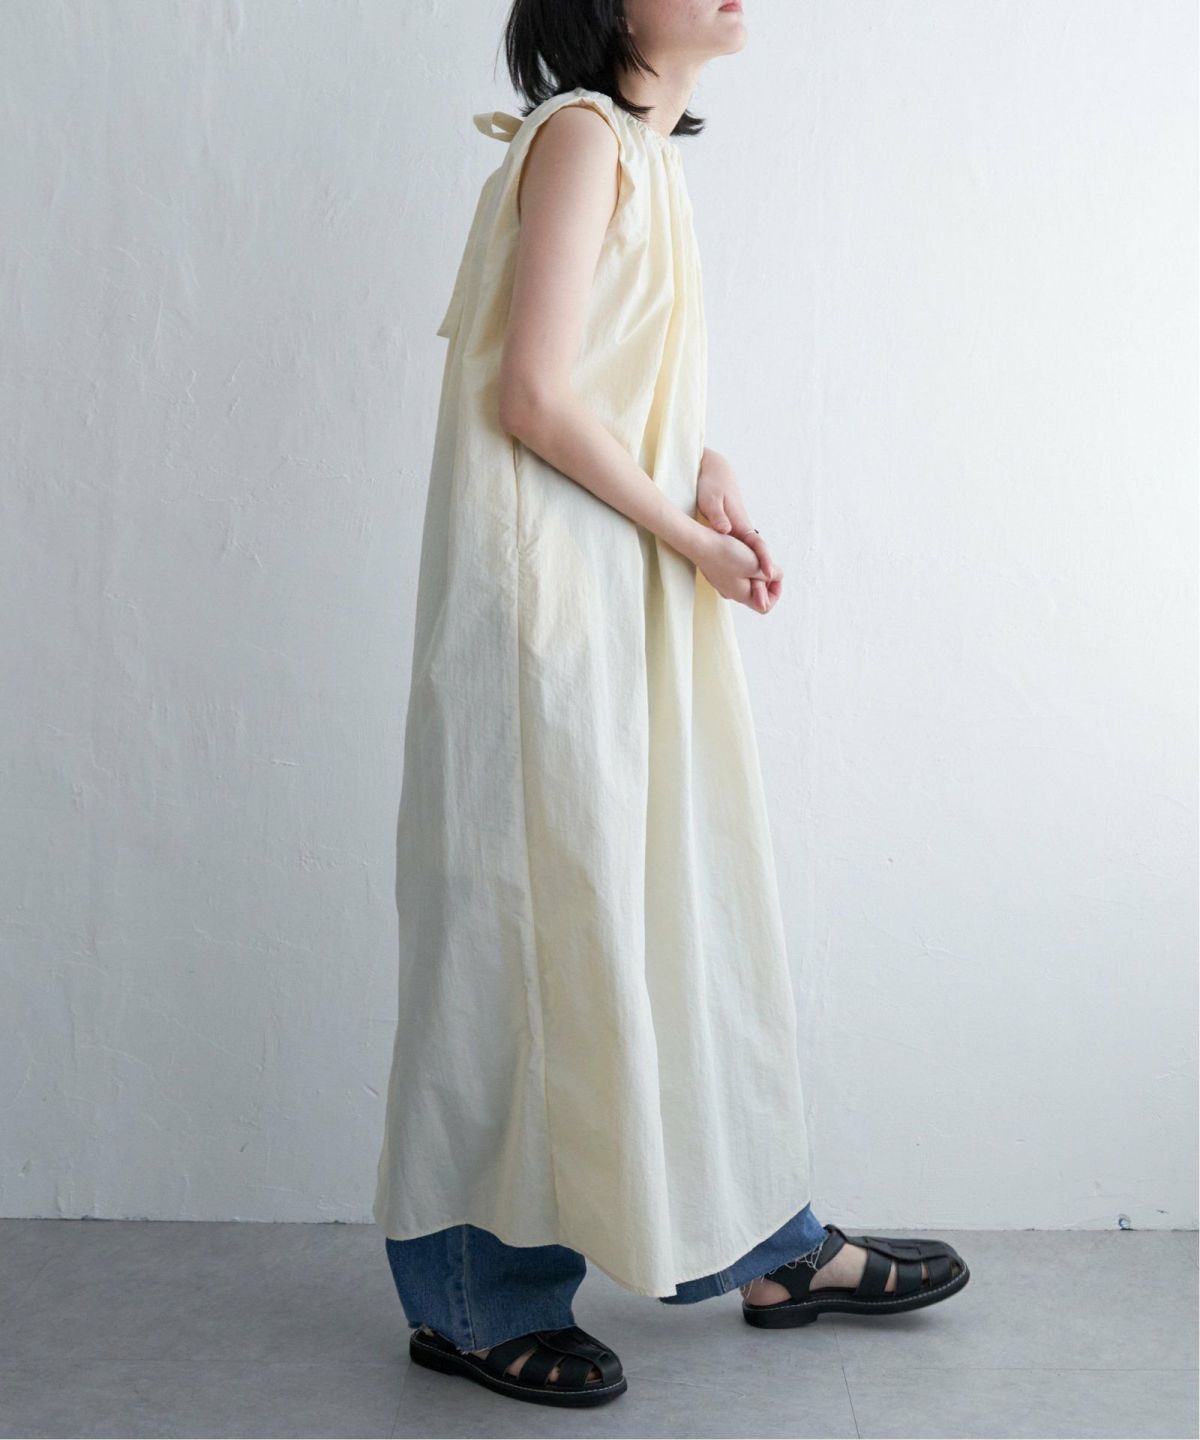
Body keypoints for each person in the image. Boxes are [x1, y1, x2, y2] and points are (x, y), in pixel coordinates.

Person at [373, 0, 969, 1409]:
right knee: (523, 940)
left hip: (610, 583)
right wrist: (691, 538)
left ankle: (763, 1243)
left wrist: (705, 469)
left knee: (665, 913)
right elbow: (532, 399)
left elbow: (599, 379)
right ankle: (471, 1300)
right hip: (545, 608)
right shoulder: (582, 136)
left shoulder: (640, 157)